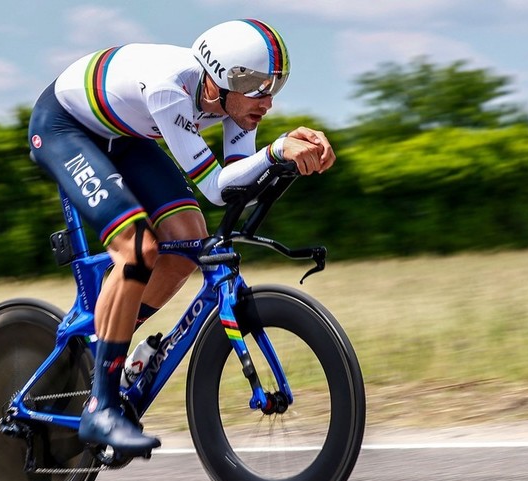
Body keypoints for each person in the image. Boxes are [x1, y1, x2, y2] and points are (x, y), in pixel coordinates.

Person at [28, 19, 336, 456]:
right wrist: (276, 150)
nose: (267, 102)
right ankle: (101, 405)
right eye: (258, 88)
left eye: (274, 88)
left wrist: (283, 160)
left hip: (125, 136)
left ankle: (106, 346)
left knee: (189, 243)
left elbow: (235, 189)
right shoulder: (170, 88)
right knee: (137, 251)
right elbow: (215, 188)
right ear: (221, 80)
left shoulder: (235, 104)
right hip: (65, 129)